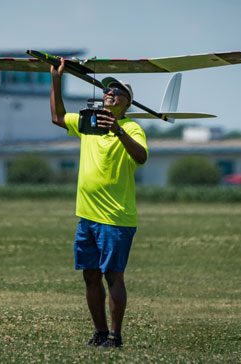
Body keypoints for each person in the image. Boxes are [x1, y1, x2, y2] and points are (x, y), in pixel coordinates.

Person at [50, 59, 148, 348]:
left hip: (116, 219)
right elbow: (57, 117)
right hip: (87, 216)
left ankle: (116, 337)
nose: (111, 92)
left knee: (113, 276)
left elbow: (141, 157)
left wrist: (118, 130)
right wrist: (56, 79)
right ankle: (100, 332)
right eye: (108, 89)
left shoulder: (131, 128)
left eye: (118, 91)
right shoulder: (88, 124)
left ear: (127, 104)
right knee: (90, 276)